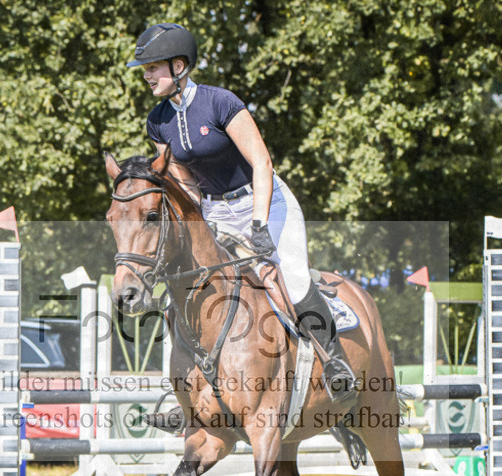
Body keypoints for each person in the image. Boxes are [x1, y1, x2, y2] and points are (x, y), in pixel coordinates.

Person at [126, 23, 356, 404]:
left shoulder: (220, 103)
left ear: (179, 66)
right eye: (146, 69)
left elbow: (262, 162)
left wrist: (259, 224)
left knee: (294, 279)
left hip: (264, 200)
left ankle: (336, 365)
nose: (147, 76)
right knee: (190, 289)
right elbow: (186, 184)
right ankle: (185, 391)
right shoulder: (157, 121)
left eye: (153, 68)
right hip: (216, 209)